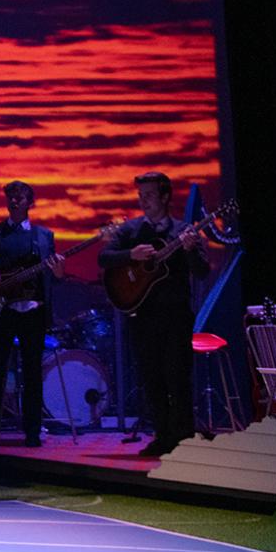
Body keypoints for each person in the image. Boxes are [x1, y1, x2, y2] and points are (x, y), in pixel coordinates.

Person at [98, 171, 208, 457]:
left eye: (148, 195)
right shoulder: (131, 231)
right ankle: (162, 435)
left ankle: (184, 437)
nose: (143, 201)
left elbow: (202, 271)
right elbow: (104, 258)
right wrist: (130, 255)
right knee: (152, 377)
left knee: (177, 376)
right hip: (143, 314)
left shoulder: (184, 231)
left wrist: (191, 251)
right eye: (140, 195)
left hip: (176, 314)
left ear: (165, 196)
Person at [0, 181, 63, 448]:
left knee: (32, 374)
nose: (14, 201)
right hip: (2, 311)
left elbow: (53, 277)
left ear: (30, 202)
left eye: (20, 197)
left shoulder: (44, 236)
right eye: (11, 197)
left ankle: (32, 433)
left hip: (32, 313)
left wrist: (58, 271)